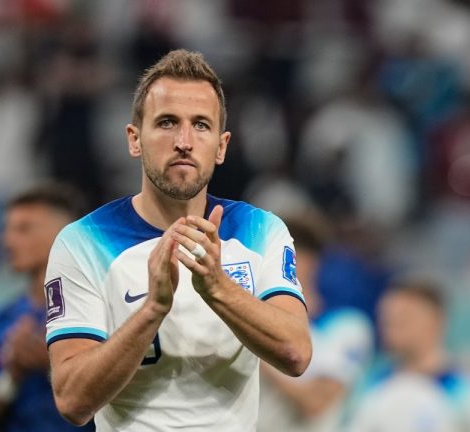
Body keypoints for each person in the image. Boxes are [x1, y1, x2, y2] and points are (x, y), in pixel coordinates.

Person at [44, 49, 312, 432]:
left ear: (221, 146)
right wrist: (153, 309)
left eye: (201, 125)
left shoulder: (262, 230)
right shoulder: (82, 243)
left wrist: (217, 288)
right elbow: (72, 401)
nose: (184, 141)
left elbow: (296, 353)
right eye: (167, 122)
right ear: (135, 140)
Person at [0, 183, 94, 432]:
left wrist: (56, 365)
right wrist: (11, 377)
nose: (7, 240)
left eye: (23, 229)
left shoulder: (100, 312)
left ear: (64, 234)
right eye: (7, 229)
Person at [258, 215, 373, 432]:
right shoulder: (253, 319)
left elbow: (315, 402)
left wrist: (255, 346)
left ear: (309, 261)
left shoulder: (347, 326)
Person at [347, 278, 470, 432]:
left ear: (436, 321)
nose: (391, 326)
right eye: (387, 319)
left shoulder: (468, 391)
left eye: (404, 318)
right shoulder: (371, 385)